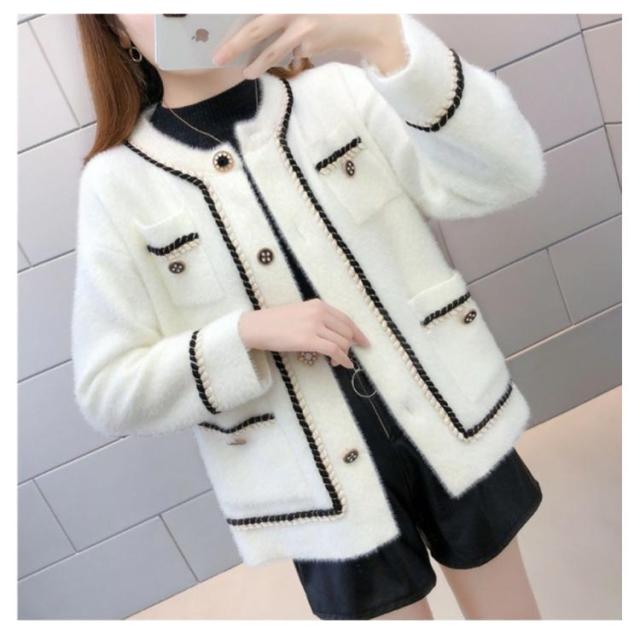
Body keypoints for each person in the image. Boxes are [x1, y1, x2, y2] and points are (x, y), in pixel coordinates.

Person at [72, 14, 546, 620]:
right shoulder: (116, 184)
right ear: (114, 30)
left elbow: (509, 175)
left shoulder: (339, 93)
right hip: (320, 496)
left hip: (452, 422)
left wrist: (385, 37)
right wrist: (244, 336)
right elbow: (107, 387)